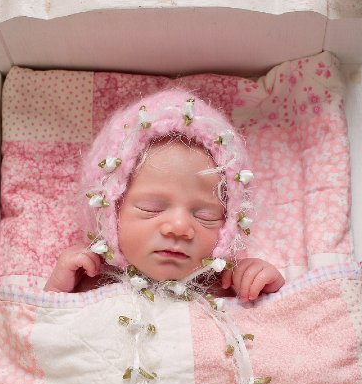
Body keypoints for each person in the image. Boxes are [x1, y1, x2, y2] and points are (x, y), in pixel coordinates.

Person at [44, 89, 284, 300]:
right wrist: (56, 291)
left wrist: (265, 288)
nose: (179, 227)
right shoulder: (88, 282)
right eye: (152, 208)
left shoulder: (229, 286)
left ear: (231, 224)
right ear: (108, 213)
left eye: (206, 216)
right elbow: (43, 332)